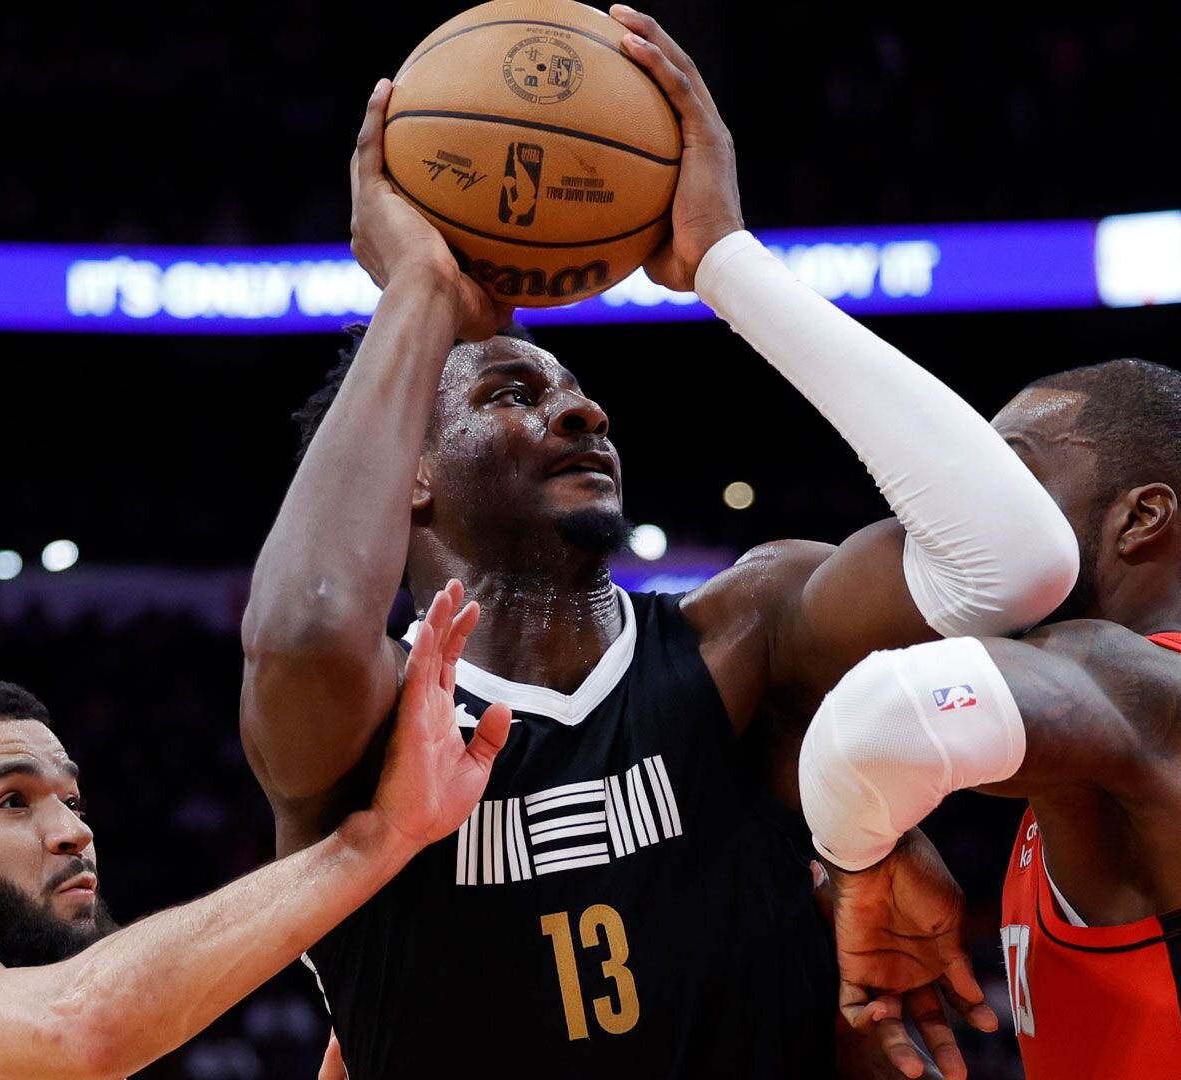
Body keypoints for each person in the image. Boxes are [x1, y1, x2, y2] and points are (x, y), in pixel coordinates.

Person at [239, 7, 1073, 1077]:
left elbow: (1014, 560)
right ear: (408, 471)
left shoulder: (743, 636)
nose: (584, 415)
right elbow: (305, 625)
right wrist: (420, 294)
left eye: (581, 395)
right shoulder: (358, 729)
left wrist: (725, 263)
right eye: (512, 393)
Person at [801, 359, 1181, 1077]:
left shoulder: (1161, 696)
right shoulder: (1094, 762)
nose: (972, 512)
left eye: (1009, 478)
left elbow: (878, 720)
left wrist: (863, 860)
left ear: (1141, 518)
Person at [0, 585, 509, 1080]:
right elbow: (84, 1029)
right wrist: (378, 837)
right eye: (13, 802)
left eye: (74, 801)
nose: (72, 832)